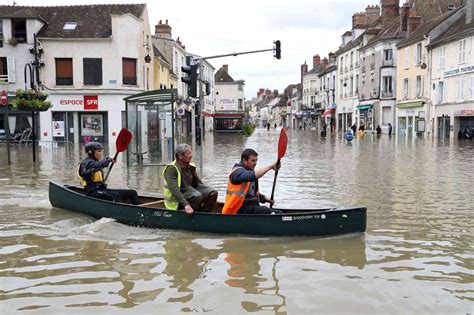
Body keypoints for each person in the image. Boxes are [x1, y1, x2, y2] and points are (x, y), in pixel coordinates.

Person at [222, 148, 283, 215]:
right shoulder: (237, 173)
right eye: (253, 161)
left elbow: (251, 193)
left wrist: (265, 198)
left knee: (279, 212)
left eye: (256, 160)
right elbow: (251, 176)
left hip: (250, 208)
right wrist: (271, 167)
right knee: (269, 211)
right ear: (244, 160)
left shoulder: (249, 171)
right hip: (237, 210)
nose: (255, 163)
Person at [78, 142, 142, 204]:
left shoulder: (94, 161)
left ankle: (141, 209)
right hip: (93, 192)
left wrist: (109, 159)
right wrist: (109, 160)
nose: (101, 153)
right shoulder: (86, 163)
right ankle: (119, 213)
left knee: (132, 192)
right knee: (116, 195)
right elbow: (98, 165)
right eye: (99, 151)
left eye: (101, 151)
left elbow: (101, 164)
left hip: (102, 190)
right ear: (91, 152)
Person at [163, 144, 218, 215]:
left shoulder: (190, 166)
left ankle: (203, 216)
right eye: (189, 153)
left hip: (190, 192)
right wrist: (186, 205)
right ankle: (190, 217)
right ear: (180, 156)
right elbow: (174, 190)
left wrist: (208, 197)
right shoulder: (171, 169)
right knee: (197, 196)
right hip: (178, 199)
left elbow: (199, 183)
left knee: (213, 193)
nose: (191, 156)